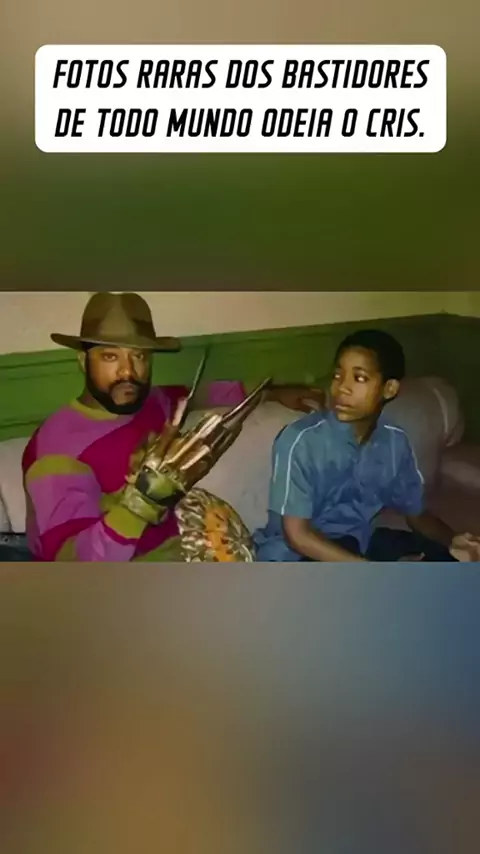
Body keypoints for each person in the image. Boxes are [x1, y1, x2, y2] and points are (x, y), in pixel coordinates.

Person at [22, 292, 324, 562]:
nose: (128, 372)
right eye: (110, 356)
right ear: (82, 360)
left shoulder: (150, 401)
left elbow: (197, 395)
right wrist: (140, 503)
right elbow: (70, 561)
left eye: (139, 356)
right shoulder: (56, 449)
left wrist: (270, 393)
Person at [254, 329, 480, 562]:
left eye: (359, 378)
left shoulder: (394, 442)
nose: (342, 388)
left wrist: (453, 540)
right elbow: (297, 536)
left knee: (449, 560)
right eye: (338, 375)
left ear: (389, 389)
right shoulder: (300, 440)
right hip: (297, 556)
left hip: (358, 544)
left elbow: (417, 515)